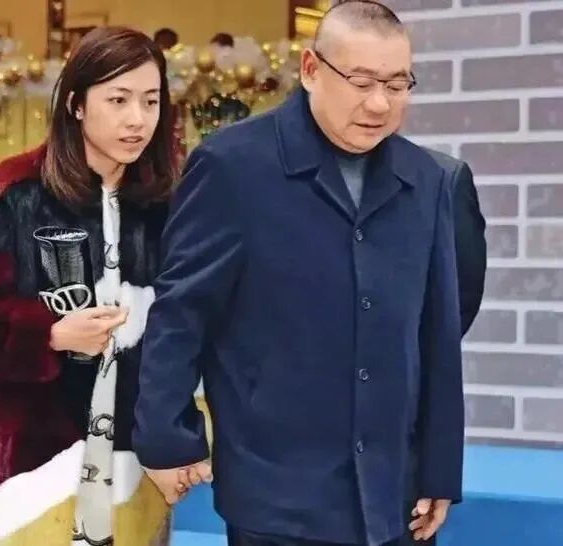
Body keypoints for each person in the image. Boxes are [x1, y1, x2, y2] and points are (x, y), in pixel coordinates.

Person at [134, 2, 464, 546]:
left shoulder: (426, 180)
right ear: (311, 70)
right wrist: (166, 438)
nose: (379, 103)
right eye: (361, 82)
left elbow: (437, 334)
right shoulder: (232, 166)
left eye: (397, 84)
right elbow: (181, 313)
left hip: (395, 496)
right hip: (276, 495)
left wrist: (439, 468)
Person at [0, 26, 181, 546]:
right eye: (118, 99)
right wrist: (48, 334)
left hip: (134, 460)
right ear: (76, 104)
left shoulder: (163, 202)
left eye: (151, 101)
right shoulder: (15, 191)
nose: (137, 119)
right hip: (31, 464)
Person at [401, 148, 487, 546]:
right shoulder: (255, 171)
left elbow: (453, 312)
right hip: (279, 465)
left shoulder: (441, 178)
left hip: (398, 445)